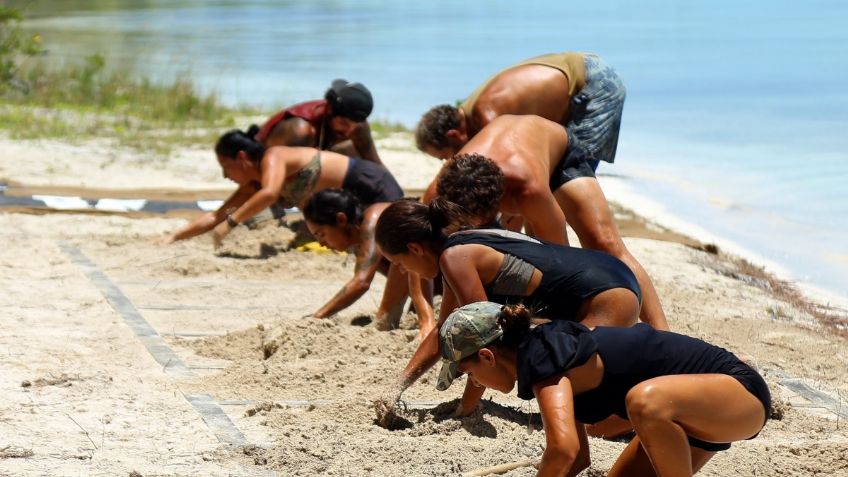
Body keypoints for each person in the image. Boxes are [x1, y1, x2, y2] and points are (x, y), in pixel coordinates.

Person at [374, 198, 643, 417]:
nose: (402, 270)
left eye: (398, 263)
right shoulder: (462, 243)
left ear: (415, 248)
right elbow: (445, 329)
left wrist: (465, 409)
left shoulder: (454, 258)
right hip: (613, 275)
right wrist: (397, 387)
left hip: (605, 297)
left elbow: (483, 335)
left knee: (588, 407)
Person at [438, 301, 771, 477]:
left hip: (739, 394)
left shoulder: (542, 361)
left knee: (643, 401)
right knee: (645, 404)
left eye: (470, 373)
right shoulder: (544, 354)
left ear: (487, 355)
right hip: (695, 420)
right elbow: (579, 458)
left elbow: (562, 451)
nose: (477, 383)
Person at [421, 126, 668, 331]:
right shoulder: (439, 192)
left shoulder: (530, 192)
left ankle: (662, 333)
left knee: (605, 243)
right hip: (504, 158)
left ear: (500, 202)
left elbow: (561, 263)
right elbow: (411, 243)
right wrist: (425, 318)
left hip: (560, 154)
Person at [159, 128, 402, 247]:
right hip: (350, 200)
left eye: (226, 166)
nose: (225, 175)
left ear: (242, 157)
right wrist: (174, 237)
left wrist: (230, 224)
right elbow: (215, 215)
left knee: (396, 242)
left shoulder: (273, 157)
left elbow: (270, 193)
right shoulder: (254, 183)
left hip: (370, 182)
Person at [416, 51, 624, 171]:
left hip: (594, 84)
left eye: (445, 156)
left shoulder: (485, 116)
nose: (450, 161)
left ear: (454, 135)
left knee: (574, 174)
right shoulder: (472, 111)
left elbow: (517, 165)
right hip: (580, 78)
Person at [303, 188, 435, 339]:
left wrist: (317, 317)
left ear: (341, 219)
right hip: (433, 281)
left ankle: (387, 319)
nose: (321, 243)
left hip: (439, 272)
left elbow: (361, 282)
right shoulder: (359, 242)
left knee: (403, 258)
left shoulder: (375, 218)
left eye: (321, 234)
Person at [254, 79, 382, 164]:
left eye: (354, 127)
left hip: (311, 164)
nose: (348, 131)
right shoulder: (301, 129)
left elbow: (375, 165)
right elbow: (269, 161)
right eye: (344, 124)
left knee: (357, 158)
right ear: (330, 110)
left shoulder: (358, 127)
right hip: (262, 159)